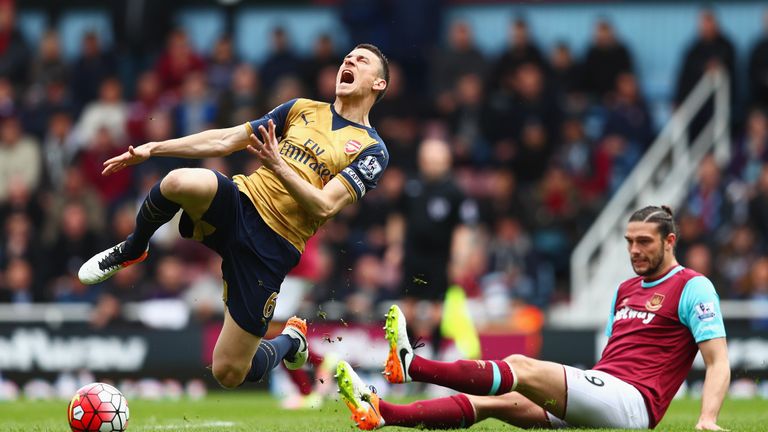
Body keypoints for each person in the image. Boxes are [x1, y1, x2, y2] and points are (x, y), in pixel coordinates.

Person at [78, 44, 390, 390]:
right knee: (178, 181)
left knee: (229, 372)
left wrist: (278, 165)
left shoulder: (371, 150)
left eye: (361, 60)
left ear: (378, 84)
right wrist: (155, 148)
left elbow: (323, 206)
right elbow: (227, 139)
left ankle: (290, 342)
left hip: (274, 246)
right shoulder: (301, 109)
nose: (349, 61)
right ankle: (134, 247)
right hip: (242, 203)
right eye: (348, 57)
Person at [337, 205, 730, 431]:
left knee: (519, 366)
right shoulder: (625, 290)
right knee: (495, 400)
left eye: (644, 242)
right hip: (605, 392)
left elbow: (717, 361)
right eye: (629, 242)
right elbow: (613, 361)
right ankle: (384, 412)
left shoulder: (693, 287)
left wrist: (707, 419)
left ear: (670, 241)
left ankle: (413, 366)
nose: (634, 250)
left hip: (634, 405)